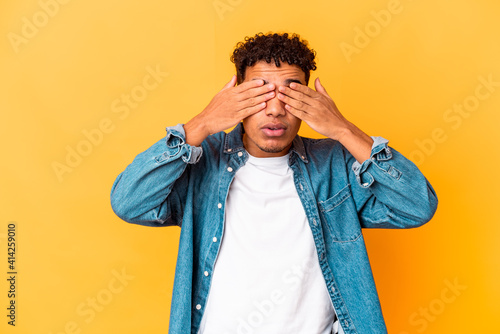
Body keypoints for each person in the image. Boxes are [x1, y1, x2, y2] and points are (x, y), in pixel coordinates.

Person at [110, 32, 438, 334]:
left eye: (291, 94)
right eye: (260, 93)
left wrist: (343, 129)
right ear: (236, 95)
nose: (276, 109)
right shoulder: (204, 160)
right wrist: (202, 123)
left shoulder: (334, 165)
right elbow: (129, 201)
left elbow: (417, 206)